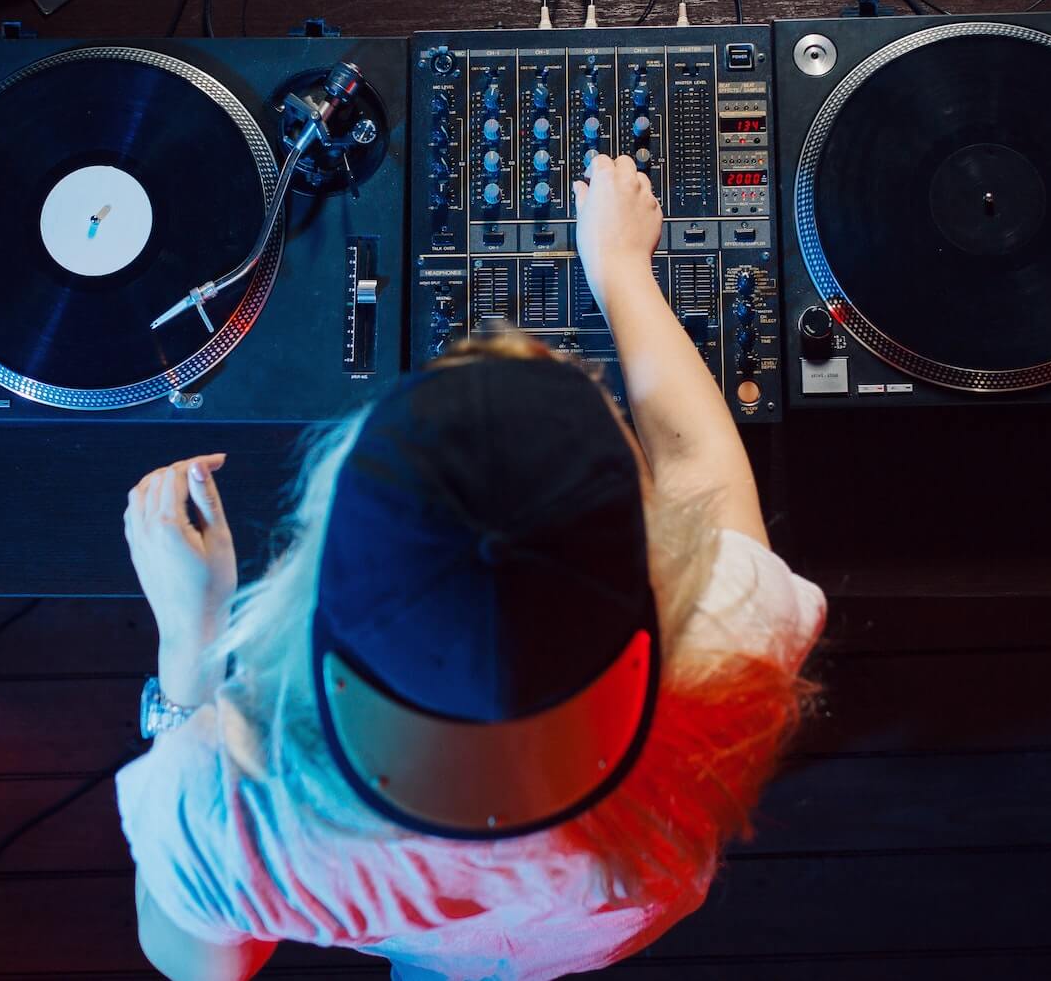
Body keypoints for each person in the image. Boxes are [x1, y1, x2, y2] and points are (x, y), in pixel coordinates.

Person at [118, 153, 826, 980]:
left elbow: (198, 967)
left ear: (322, 571)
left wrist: (193, 643)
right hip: (607, 914)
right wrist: (623, 273)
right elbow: (701, 476)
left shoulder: (234, 804)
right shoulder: (726, 641)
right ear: (653, 565)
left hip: (418, 933)